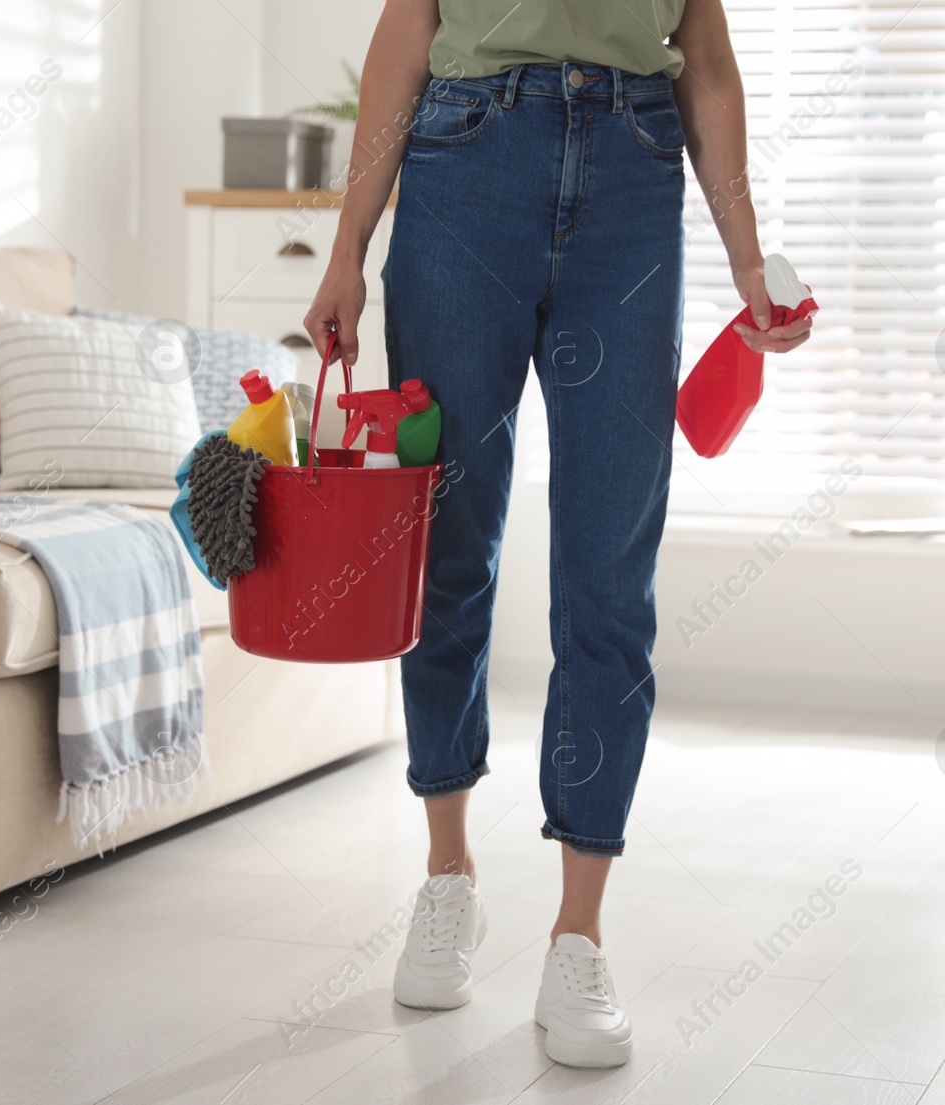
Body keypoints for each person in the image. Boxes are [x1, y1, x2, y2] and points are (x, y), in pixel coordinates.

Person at [304, 0, 813, 1068]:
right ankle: (448, 876)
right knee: (447, 544)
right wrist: (347, 245)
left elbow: (706, 59)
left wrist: (748, 256)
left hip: (632, 173)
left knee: (607, 568)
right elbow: (407, 32)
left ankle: (578, 932)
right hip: (463, 169)